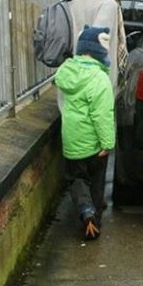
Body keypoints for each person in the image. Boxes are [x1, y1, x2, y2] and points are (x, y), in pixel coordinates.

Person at [55, 26, 115, 240]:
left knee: (76, 179)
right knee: (96, 183)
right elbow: (103, 115)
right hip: (94, 145)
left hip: (71, 141)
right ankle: (94, 221)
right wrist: (107, 142)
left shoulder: (66, 72)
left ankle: (85, 210)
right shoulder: (99, 79)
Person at [69, 0, 127, 92]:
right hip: (99, 84)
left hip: (71, 79)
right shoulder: (109, 5)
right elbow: (99, 45)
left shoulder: (69, 0)